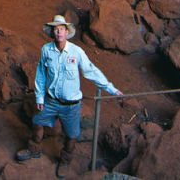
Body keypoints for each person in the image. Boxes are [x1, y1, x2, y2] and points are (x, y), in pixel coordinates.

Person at [17, 14, 124, 177]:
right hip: (51, 100)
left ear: (67, 32)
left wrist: (111, 89)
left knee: (72, 135)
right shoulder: (46, 50)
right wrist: (39, 97)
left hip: (71, 105)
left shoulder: (76, 52)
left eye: (61, 29)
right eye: (56, 29)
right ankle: (34, 149)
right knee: (37, 123)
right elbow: (41, 74)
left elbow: (91, 71)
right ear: (53, 33)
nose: (59, 32)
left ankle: (65, 161)